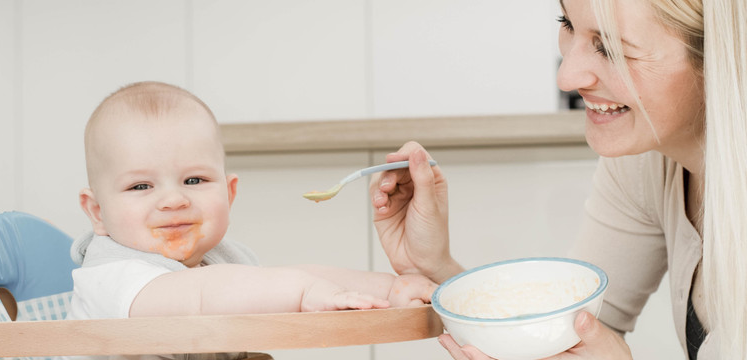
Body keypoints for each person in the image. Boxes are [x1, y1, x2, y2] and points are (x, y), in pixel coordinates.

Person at [369, 0, 746, 359]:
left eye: (611, 48)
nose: (566, 77)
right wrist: (437, 268)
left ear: (720, 56)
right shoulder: (645, 158)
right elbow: (568, 332)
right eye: (567, 24)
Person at [68, 81, 436, 360]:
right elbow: (201, 295)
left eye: (194, 180)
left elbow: (288, 276)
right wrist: (303, 293)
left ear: (229, 194)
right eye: (140, 186)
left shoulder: (223, 262)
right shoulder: (110, 276)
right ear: (97, 212)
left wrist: (388, 289)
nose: (174, 200)